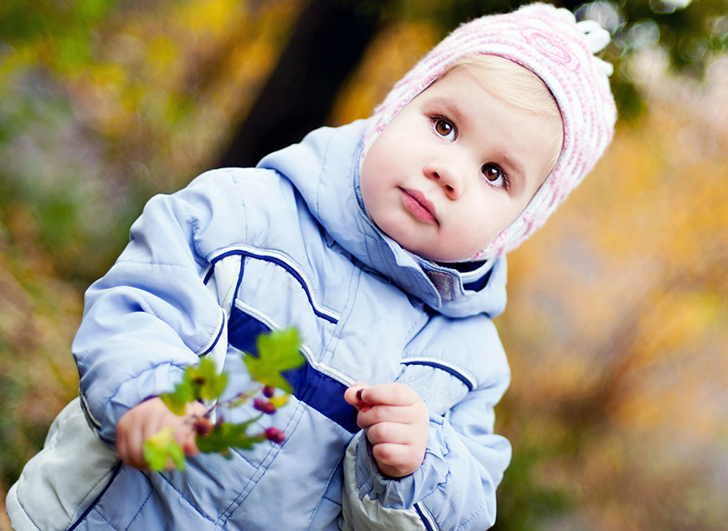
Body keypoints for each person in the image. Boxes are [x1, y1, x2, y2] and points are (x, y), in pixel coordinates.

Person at [6, 3, 616, 530]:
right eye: (444, 125)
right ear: (396, 108)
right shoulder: (246, 211)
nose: (447, 171)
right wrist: (150, 392)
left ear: (518, 225)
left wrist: (415, 468)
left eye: (495, 174)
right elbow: (142, 297)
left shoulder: (468, 366)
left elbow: (465, 505)